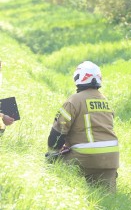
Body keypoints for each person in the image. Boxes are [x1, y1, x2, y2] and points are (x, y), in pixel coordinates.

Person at [47, 61, 119, 191]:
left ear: (78, 77)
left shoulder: (74, 100)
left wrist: (53, 152)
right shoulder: (105, 101)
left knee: (53, 168)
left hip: (85, 156)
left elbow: (58, 131)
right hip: (110, 158)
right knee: (107, 198)